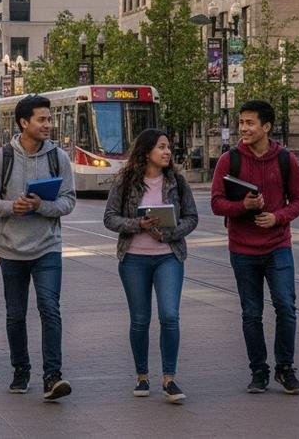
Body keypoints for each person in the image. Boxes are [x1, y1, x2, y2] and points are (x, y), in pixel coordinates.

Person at [0, 94, 76, 401]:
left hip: (48, 246)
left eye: (49, 119)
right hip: (11, 250)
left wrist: (42, 206)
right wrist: (12, 207)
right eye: (42, 119)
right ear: (24, 123)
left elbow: (68, 200)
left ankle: (52, 376)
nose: (48, 124)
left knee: (50, 309)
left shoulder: (57, 157)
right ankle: (21, 370)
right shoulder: (1, 158)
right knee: (15, 314)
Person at [210, 100, 299, 396]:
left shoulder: (285, 160)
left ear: (266, 127)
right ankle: (259, 371)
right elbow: (216, 203)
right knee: (251, 313)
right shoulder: (229, 160)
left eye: (250, 123)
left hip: (278, 246)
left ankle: (285, 368)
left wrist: (277, 217)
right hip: (242, 249)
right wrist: (243, 206)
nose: (244, 128)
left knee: (286, 308)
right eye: (242, 122)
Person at [103, 129, 198, 403]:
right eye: (162, 147)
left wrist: (169, 233)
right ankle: (142, 376)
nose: (168, 152)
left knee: (169, 316)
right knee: (140, 320)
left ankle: (169, 378)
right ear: (147, 152)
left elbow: (191, 217)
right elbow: (109, 218)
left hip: (169, 256)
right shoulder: (126, 181)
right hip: (133, 258)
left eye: (168, 147)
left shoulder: (177, 181)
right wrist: (137, 225)